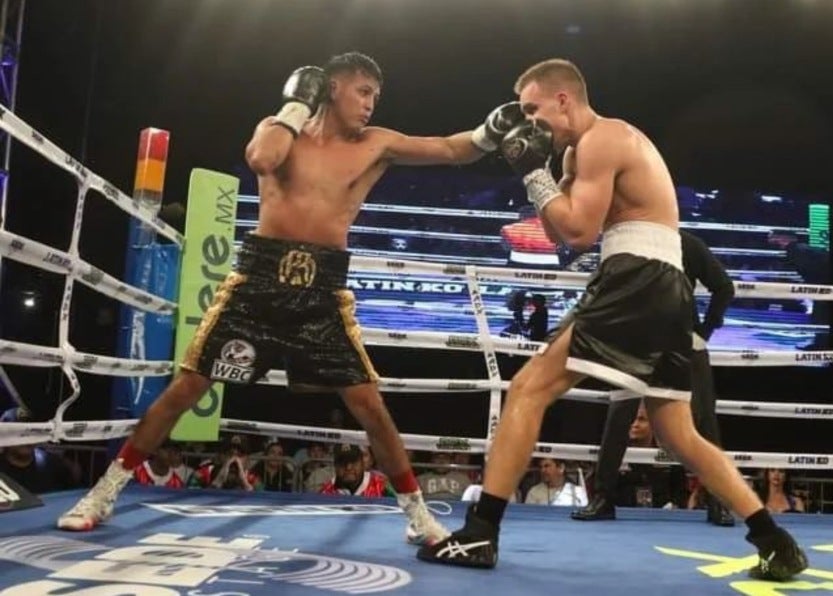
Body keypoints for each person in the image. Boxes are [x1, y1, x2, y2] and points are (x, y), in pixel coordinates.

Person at [57, 51, 528, 544]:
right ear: (332, 89)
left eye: (375, 95)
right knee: (186, 388)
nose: (370, 104)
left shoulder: (376, 143)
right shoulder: (278, 130)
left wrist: (490, 130)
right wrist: (297, 105)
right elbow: (263, 159)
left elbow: (451, 149)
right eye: (363, 91)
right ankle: (104, 493)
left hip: (323, 292)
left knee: (369, 405)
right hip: (258, 283)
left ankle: (417, 515)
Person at [417, 58, 807, 581]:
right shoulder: (578, 153)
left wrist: (533, 173)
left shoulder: (605, 138)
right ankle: (775, 540)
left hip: (637, 275)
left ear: (563, 100)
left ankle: (480, 531)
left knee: (529, 388)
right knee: (677, 433)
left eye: (533, 109)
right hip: (663, 286)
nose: (529, 121)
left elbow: (580, 231)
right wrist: (542, 175)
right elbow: (562, 240)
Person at [572, 229, 736, 525]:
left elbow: (724, 287)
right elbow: (606, 292)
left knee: (704, 421)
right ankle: (603, 498)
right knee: (619, 418)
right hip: (635, 343)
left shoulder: (687, 244)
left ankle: (718, 500)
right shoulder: (627, 242)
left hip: (683, 343)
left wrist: (704, 331)